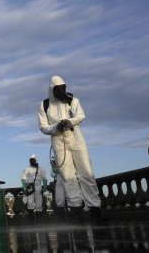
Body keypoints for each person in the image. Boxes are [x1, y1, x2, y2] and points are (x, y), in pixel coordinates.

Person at [37, 75, 103, 222]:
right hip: (58, 140)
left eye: (63, 88)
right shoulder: (44, 105)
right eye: (58, 89)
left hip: (75, 137)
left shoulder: (72, 100)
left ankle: (94, 209)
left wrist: (68, 121)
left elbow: (81, 116)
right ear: (51, 90)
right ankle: (75, 210)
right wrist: (56, 126)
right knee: (67, 176)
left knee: (86, 172)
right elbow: (43, 126)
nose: (61, 91)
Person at [21, 154, 47, 223]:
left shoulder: (41, 169)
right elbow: (23, 178)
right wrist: (24, 187)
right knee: (30, 203)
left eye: (33, 160)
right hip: (30, 187)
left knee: (39, 204)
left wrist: (44, 187)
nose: (32, 161)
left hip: (38, 187)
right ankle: (31, 222)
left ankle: (39, 222)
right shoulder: (27, 168)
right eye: (31, 160)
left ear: (36, 160)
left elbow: (45, 179)